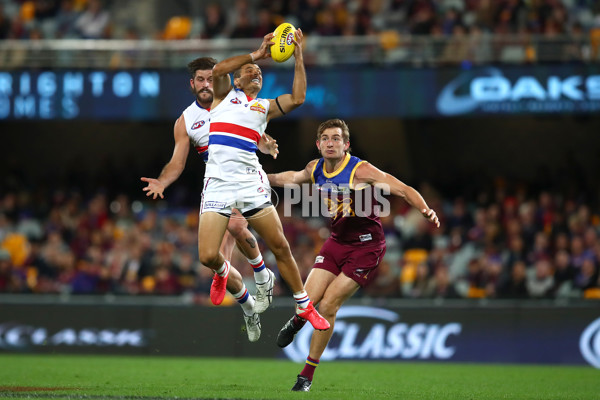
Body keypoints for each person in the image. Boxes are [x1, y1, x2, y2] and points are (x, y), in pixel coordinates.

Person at [268, 119, 440, 391]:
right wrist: (264, 178)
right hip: (336, 242)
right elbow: (291, 177)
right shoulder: (315, 168)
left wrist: (425, 209)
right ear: (318, 144)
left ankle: (306, 376)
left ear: (346, 145)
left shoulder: (361, 171)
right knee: (306, 300)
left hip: (366, 247)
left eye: (336, 138)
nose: (330, 143)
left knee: (327, 307)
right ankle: (299, 318)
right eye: (325, 138)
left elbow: (403, 189)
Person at [197, 31, 330, 333]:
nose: (255, 73)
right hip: (217, 184)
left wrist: (298, 57)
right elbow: (218, 70)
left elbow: (297, 98)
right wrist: (257, 55)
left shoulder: (263, 107)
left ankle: (304, 305)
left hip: (250, 183)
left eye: (259, 73)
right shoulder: (221, 97)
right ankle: (250, 280)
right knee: (207, 256)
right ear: (238, 81)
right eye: (249, 72)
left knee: (281, 246)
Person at [141, 57, 279, 342]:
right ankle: (248, 305)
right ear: (192, 84)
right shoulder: (186, 120)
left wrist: (264, 141)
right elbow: (177, 162)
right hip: (216, 185)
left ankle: (263, 275)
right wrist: (163, 181)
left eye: (210, 78)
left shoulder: (236, 100)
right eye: (200, 80)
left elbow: (257, 125)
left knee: (237, 227)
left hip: (245, 179)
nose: (206, 85)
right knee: (214, 261)